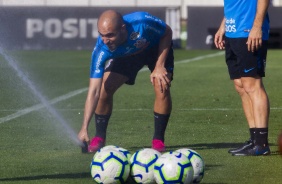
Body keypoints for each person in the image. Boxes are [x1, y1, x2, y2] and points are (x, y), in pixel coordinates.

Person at [77, 10, 174, 153]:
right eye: (101, 35)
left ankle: (158, 140)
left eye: (110, 35)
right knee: (105, 88)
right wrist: (84, 127)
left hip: (155, 50)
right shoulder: (101, 49)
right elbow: (94, 91)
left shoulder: (142, 22)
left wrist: (159, 66)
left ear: (123, 28)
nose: (105, 40)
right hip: (127, 55)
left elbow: (167, 32)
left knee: (161, 85)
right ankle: (99, 137)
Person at [214, 0, 271, 156]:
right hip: (233, 31)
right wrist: (223, 26)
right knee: (240, 85)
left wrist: (257, 27)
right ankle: (254, 140)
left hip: (248, 30)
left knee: (253, 85)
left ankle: (261, 143)